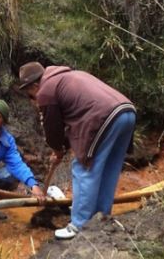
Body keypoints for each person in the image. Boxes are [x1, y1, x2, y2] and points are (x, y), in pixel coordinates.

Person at [17, 61, 136, 240]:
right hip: (127, 112)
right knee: (108, 169)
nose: (34, 98)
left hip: (103, 118)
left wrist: (57, 149)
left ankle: (78, 224)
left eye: (30, 93)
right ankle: (101, 217)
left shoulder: (46, 90)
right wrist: (61, 147)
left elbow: (53, 128)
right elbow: (72, 122)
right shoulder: (69, 76)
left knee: (83, 167)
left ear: (34, 85)